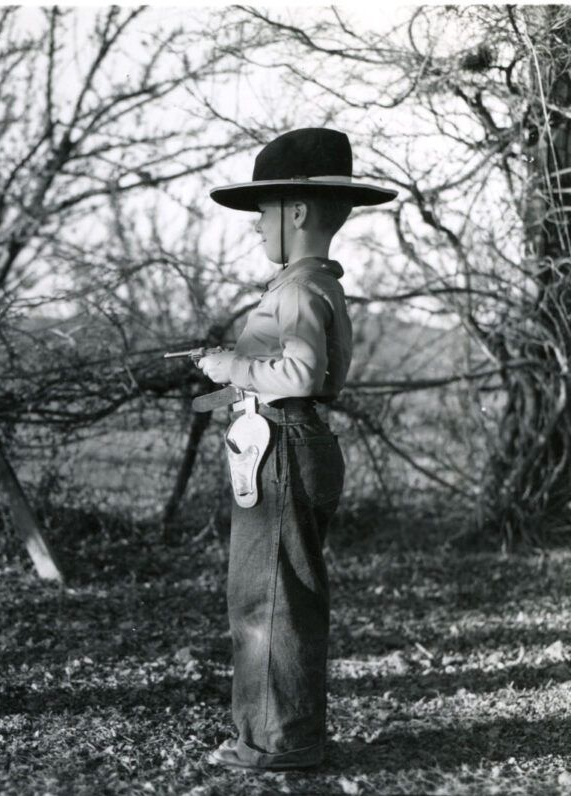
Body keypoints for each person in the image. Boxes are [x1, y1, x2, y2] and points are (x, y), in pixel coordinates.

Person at [197, 128, 396, 770]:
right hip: (295, 440)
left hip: (280, 446)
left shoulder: (294, 289)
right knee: (286, 593)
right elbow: (322, 377)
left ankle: (276, 742)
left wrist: (231, 364)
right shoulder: (318, 283)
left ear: (298, 212)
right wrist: (234, 376)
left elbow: (304, 378)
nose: (257, 228)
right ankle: (288, 732)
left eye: (263, 213)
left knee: (268, 599)